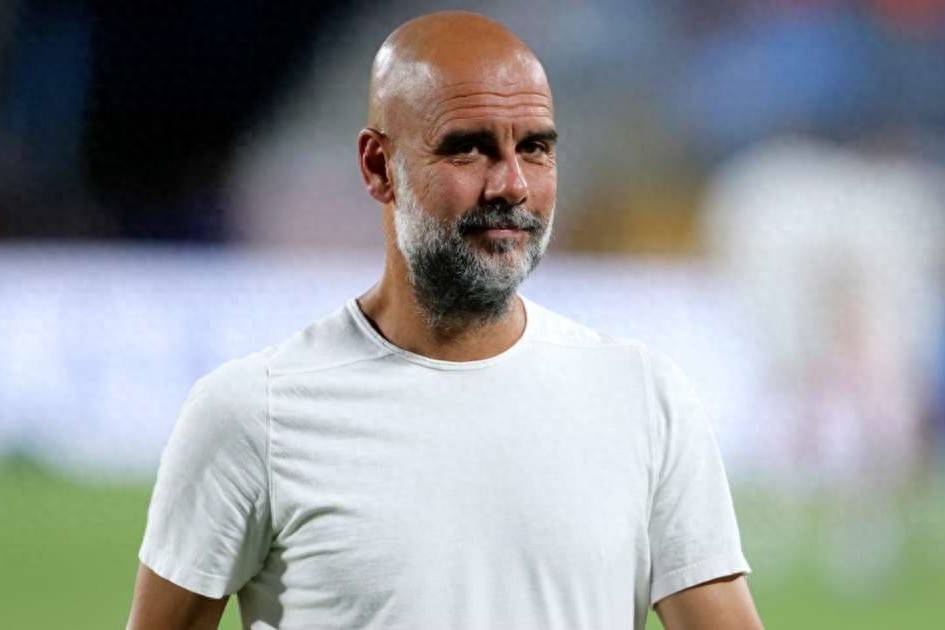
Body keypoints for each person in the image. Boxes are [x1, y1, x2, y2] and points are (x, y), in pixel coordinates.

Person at [126, 11, 762, 630]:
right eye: (469, 149)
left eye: (535, 148)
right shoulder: (251, 414)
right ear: (379, 167)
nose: (511, 184)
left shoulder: (642, 397)